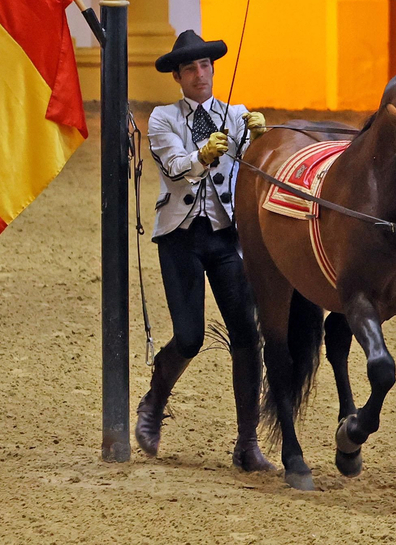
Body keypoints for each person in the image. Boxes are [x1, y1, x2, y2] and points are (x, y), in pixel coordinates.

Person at [137, 29, 273, 472]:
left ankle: (247, 443)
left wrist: (259, 138)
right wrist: (204, 154)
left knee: (247, 335)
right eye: (191, 68)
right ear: (177, 76)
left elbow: (252, 169)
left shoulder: (235, 115)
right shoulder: (163, 119)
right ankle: (154, 401)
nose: (201, 74)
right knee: (190, 337)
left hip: (225, 237)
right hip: (180, 237)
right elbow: (176, 169)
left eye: (206, 66)